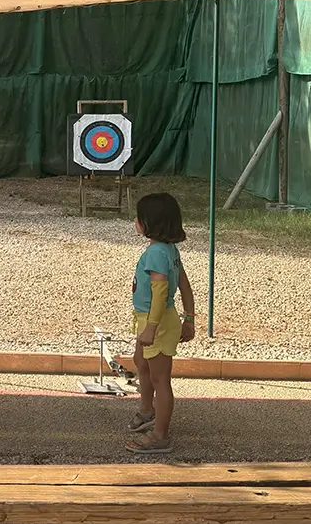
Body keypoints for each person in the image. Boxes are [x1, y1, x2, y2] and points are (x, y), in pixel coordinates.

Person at [125, 192, 196, 455]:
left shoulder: (156, 253)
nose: (135, 221)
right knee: (141, 362)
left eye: (139, 218)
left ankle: (160, 436)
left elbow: (161, 293)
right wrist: (189, 318)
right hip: (153, 320)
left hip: (157, 323)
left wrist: (152, 328)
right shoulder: (169, 250)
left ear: (150, 224)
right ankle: (147, 410)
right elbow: (185, 285)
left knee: (160, 379)